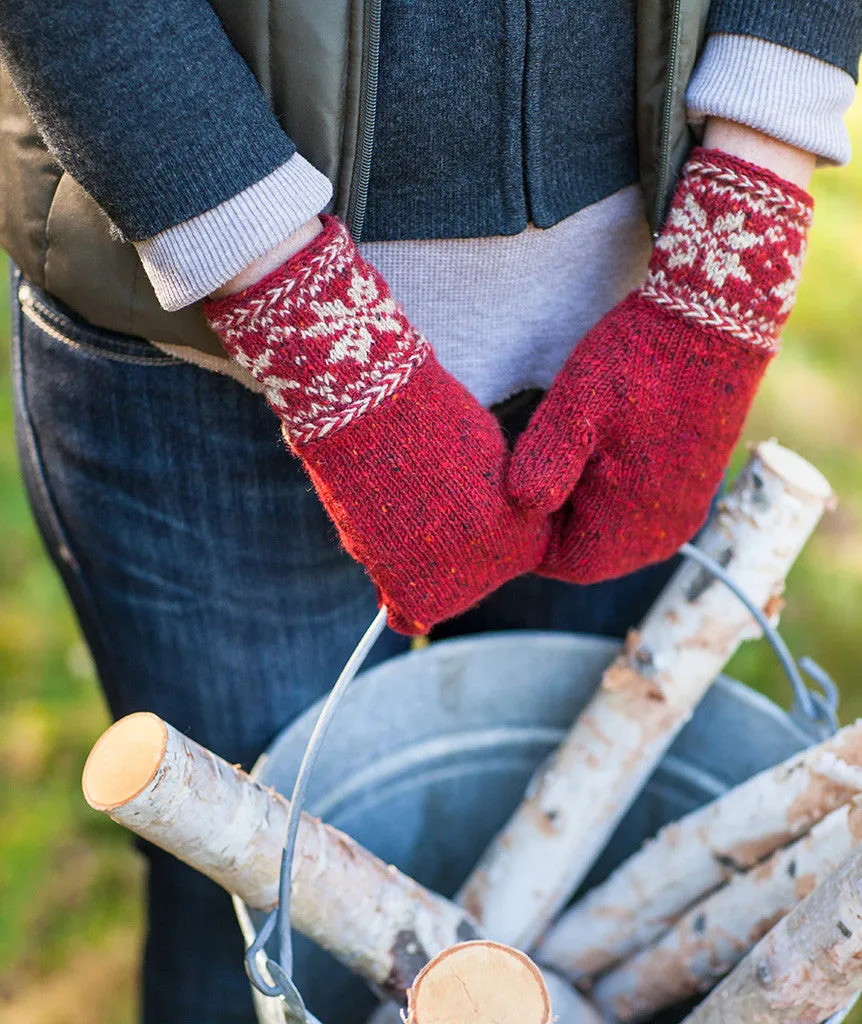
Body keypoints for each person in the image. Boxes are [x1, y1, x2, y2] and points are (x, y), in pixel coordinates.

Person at [0, 2, 859, 1021]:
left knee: (603, 825)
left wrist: (739, 223)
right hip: (205, 345)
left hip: (636, 311)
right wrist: (304, 318)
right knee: (243, 912)